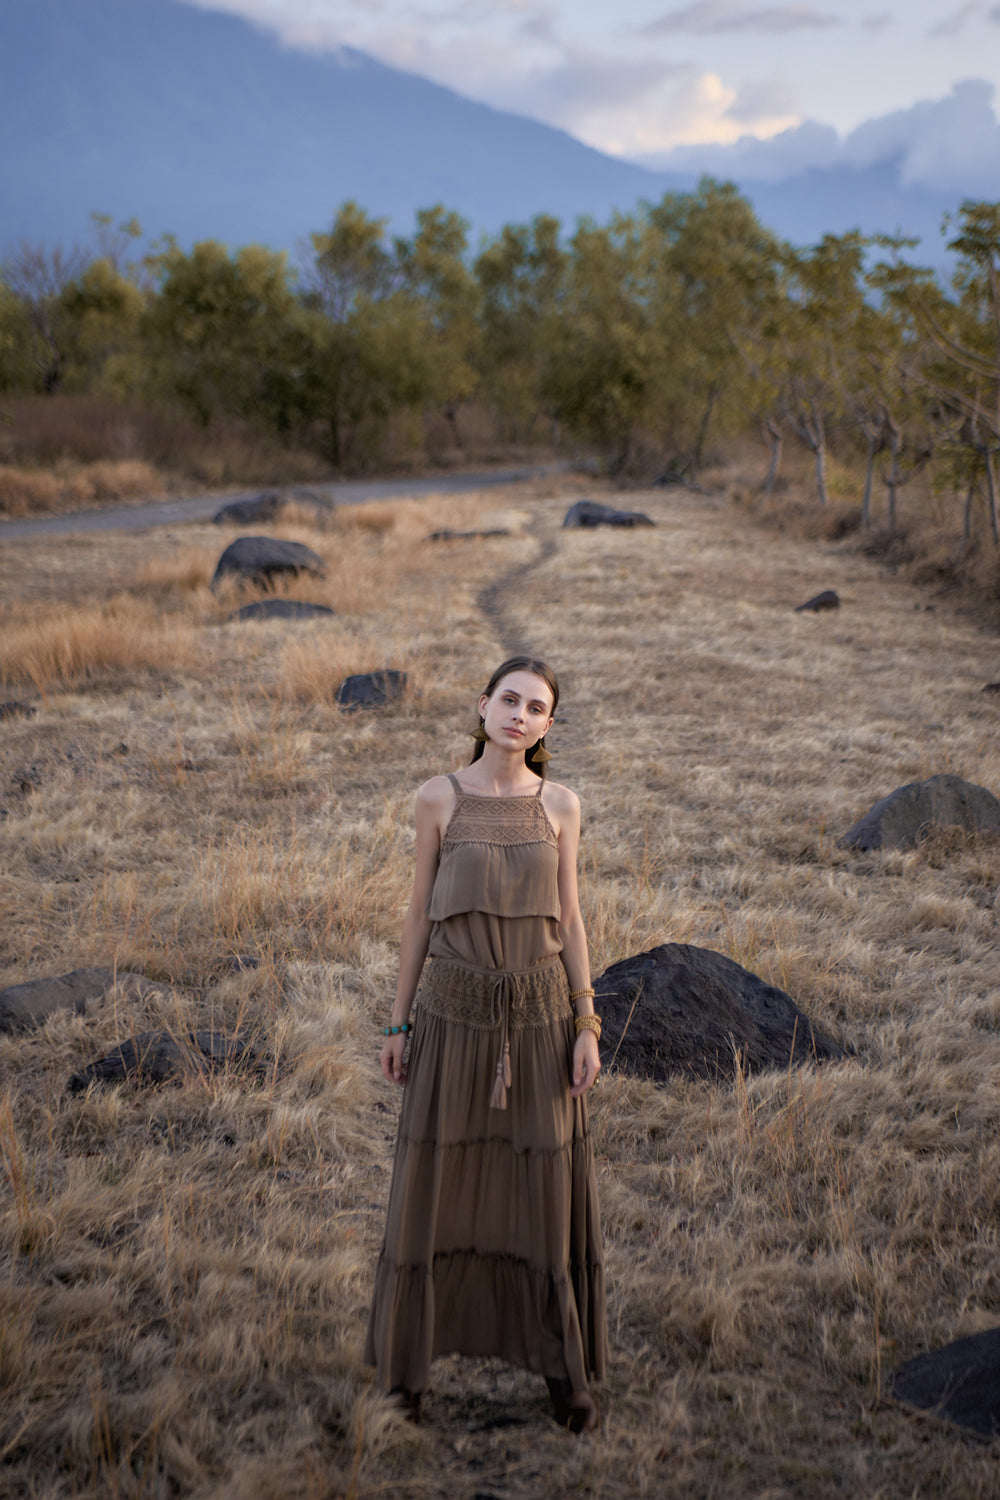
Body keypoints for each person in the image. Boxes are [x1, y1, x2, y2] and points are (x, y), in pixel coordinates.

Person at [364, 656, 607, 1432]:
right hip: (452, 1015)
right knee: (436, 1183)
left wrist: (587, 1023)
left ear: (548, 725)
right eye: (509, 700)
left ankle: (562, 1371)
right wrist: (398, 1022)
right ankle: (408, 1373)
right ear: (483, 705)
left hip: (539, 1018)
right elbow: (417, 916)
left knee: (544, 1186)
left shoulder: (561, 805)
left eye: (536, 708)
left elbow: (571, 920)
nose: (519, 715)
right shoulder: (438, 797)